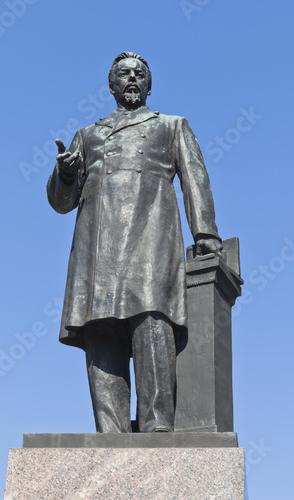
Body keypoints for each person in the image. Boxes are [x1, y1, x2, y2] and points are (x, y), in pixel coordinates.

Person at [47, 52, 222, 433]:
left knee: (151, 321)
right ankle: (110, 432)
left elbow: (195, 181)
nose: (131, 79)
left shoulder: (172, 126)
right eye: (123, 74)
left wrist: (205, 233)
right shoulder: (88, 135)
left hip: (151, 238)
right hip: (96, 248)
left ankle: (157, 425)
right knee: (101, 329)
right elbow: (62, 204)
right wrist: (63, 173)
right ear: (111, 85)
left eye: (139, 74)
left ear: (148, 84)